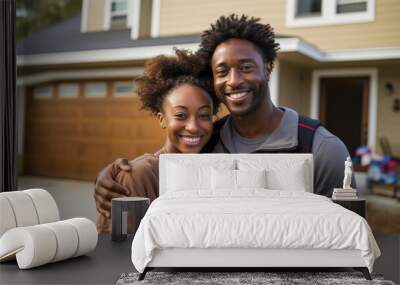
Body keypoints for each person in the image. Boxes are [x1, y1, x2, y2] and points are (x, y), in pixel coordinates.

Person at [94, 14, 354, 220]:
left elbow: (345, 235)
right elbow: (155, 168)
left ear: (268, 67)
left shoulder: (320, 148)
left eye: (245, 67)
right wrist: (115, 175)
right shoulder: (207, 140)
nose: (234, 80)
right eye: (222, 71)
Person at [96, 49, 219, 233]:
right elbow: (119, 250)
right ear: (162, 119)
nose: (193, 126)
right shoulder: (138, 175)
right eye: (180, 115)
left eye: (203, 115)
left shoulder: (214, 169)